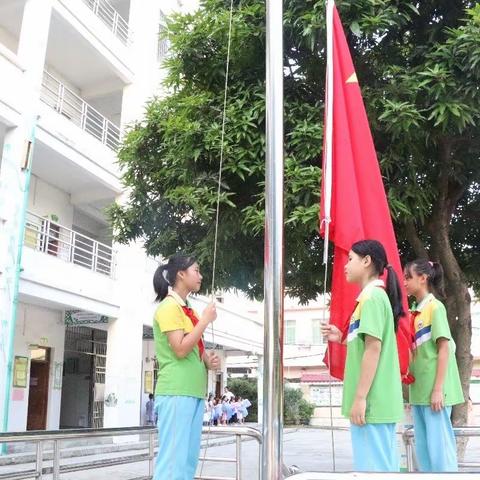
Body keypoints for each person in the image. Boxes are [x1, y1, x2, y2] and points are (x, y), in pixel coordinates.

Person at [321, 239, 404, 472]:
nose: (345, 265)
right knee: (379, 468)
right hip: (374, 401)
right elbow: (366, 343)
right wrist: (341, 337)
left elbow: (373, 348)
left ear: (367, 261)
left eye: (350, 259)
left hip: (372, 402)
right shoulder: (370, 298)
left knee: (374, 471)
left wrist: (360, 398)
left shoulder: (372, 298)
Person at [152, 254, 220, 480]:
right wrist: (204, 321)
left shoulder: (186, 308)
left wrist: (207, 362)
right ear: (181, 274)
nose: (200, 276)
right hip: (176, 391)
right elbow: (179, 349)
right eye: (196, 271)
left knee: (187, 461)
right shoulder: (169, 307)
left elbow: (189, 349)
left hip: (192, 391)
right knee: (173, 461)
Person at [404, 259, 464, 472]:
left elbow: (444, 349)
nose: (404, 282)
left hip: (435, 392)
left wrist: (438, 390)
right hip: (420, 391)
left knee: (440, 452)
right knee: (424, 451)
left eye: (408, 277)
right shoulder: (414, 311)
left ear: (423, 278)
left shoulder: (434, 308)